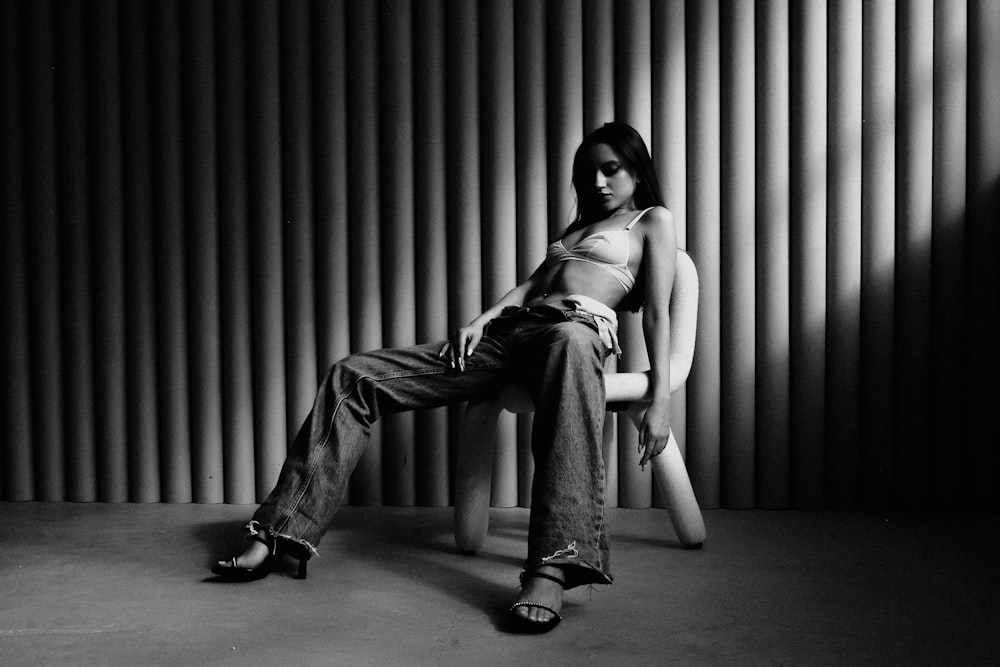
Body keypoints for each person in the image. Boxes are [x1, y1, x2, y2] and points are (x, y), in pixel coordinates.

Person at [211, 121, 678, 633]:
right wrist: (480, 322)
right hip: (514, 336)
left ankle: (553, 564)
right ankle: (281, 534)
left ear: (636, 168)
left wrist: (659, 403)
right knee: (353, 377)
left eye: (610, 170)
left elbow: (655, 314)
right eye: (587, 173)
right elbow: (529, 287)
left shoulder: (652, 221)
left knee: (568, 339)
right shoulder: (575, 232)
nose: (597, 182)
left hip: (576, 331)